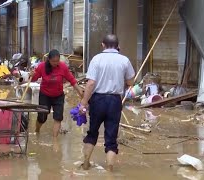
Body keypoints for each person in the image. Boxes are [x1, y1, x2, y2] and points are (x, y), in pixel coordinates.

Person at [79, 34, 135, 171]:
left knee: (92, 133)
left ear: (103, 45)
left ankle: (85, 164)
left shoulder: (96, 59)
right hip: (115, 101)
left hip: (97, 100)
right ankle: (110, 171)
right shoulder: (124, 60)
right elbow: (130, 82)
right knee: (111, 138)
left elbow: (91, 83)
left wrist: (84, 103)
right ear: (118, 46)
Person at [29, 49, 83, 142]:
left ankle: (55, 140)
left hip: (58, 96)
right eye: (53, 61)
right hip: (45, 95)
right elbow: (33, 79)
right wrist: (32, 75)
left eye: (57, 61)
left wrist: (81, 94)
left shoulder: (63, 67)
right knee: (42, 117)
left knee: (58, 117)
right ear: (49, 60)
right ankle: (37, 131)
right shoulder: (42, 66)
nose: (55, 63)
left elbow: (72, 81)